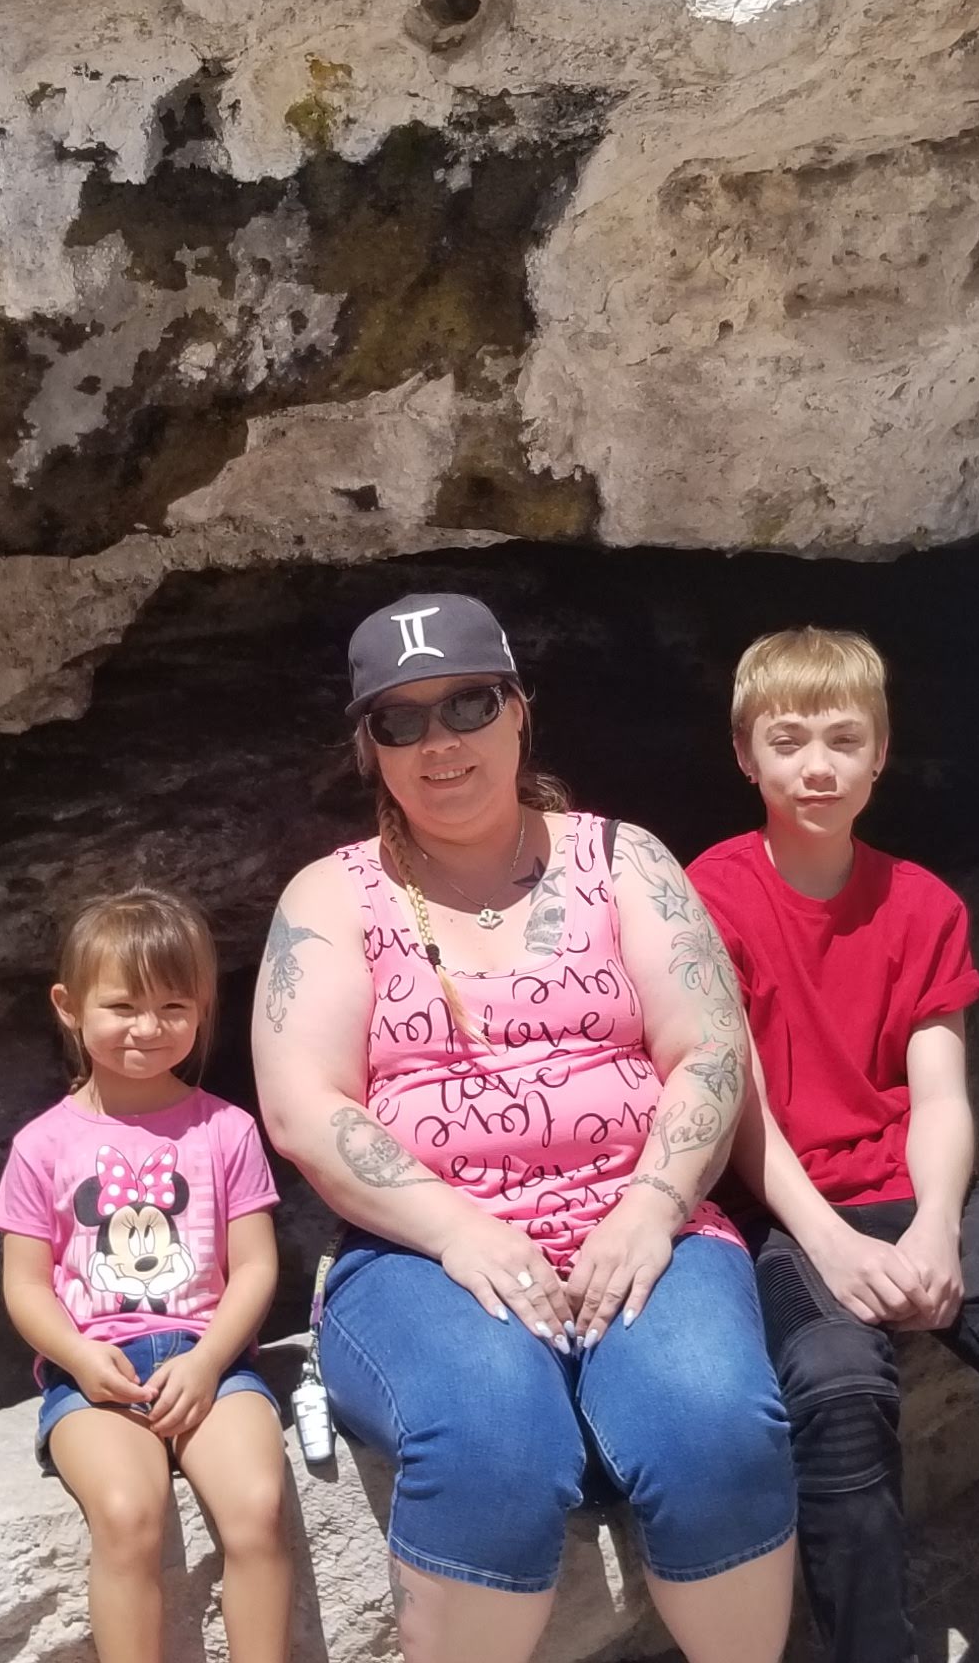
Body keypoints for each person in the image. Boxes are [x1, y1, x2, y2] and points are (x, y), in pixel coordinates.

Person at [250, 591, 796, 1663]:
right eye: (400, 720)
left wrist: (651, 1205)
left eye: (468, 704)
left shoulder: (625, 860)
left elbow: (710, 1048)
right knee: (491, 1435)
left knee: (712, 1423)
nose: (438, 742)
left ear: (518, 711)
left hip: (644, 1222)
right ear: (369, 747)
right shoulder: (330, 897)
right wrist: (460, 1228)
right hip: (419, 1254)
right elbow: (303, 1103)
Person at [688, 628, 979, 1663]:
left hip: (921, 1189)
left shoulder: (922, 904)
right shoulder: (709, 897)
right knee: (838, 1392)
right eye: (788, 740)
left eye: (844, 739)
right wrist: (832, 1244)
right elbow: (736, 1106)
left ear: (881, 753)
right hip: (784, 1207)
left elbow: (940, 1097)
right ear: (745, 755)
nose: (818, 766)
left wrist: (937, 1227)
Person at [0, 888, 293, 1663]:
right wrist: (78, 1355)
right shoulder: (41, 1144)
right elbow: (26, 1284)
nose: (148, 1028)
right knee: (129, 1514)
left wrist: (209, 1360)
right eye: (122, 1006)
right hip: (97, 1370)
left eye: (173, 1007)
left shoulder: (226, 1130)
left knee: (257, 1506)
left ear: (202, 1008)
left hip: (211, 1362)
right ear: (69, 1007)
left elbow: (255, 1266)